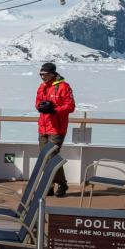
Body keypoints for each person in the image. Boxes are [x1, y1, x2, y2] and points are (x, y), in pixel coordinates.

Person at [36, 62, 75, 197]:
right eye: (41, 74)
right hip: (43, 127)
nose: (42, 77)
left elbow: (70, 106)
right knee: (44, 158)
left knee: (51, 157)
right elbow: (37, 103)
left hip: (57, 128)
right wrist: (41, 107)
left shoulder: (64, 87)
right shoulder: (42, 87)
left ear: (52, 74)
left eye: (45, 74)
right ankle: (50, 186)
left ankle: (62, 184)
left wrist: (54, 109)